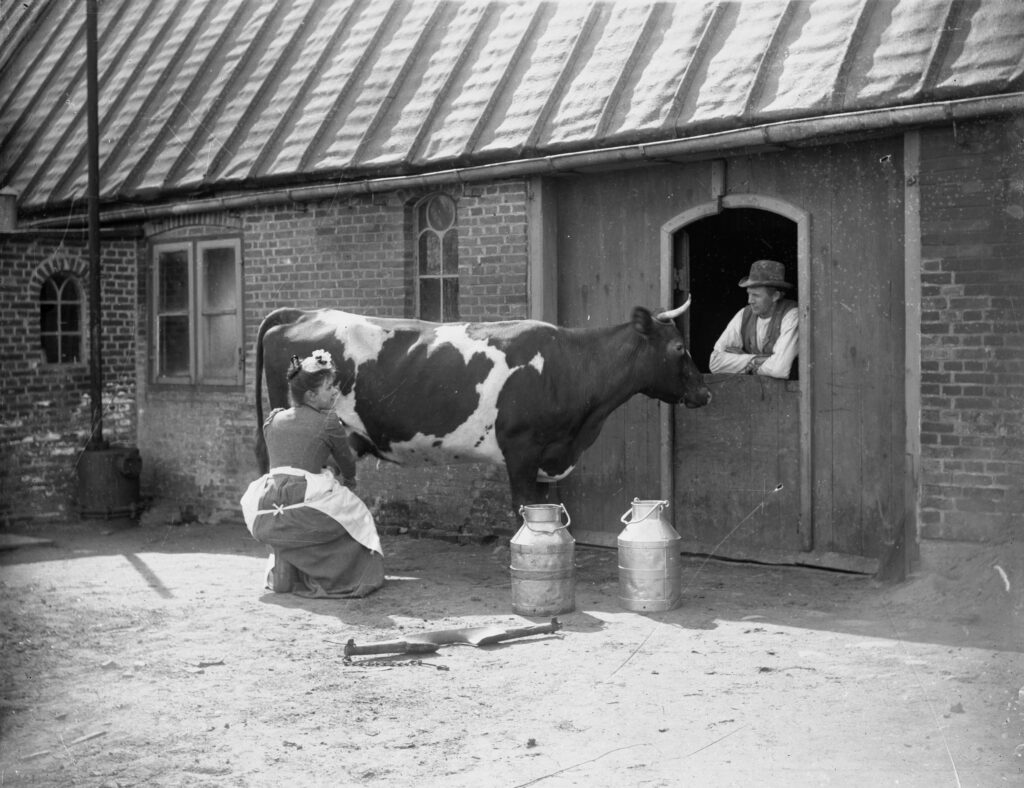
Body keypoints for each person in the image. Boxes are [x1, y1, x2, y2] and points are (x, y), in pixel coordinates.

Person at [240, 349, 384, 598]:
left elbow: (292, 454)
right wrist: (349, 482)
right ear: (310, 395)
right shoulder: (328, 421)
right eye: (329, 388)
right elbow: (346, 462)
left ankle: (287, 574)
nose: (335, 392)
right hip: (303, 497)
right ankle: (342, 576)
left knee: (309, 517)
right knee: (356, 515)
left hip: (265, 504)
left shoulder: (273, 420)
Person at [708, 259, 798, 379]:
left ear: (775, 296)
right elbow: (715, 362)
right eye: (749, 294)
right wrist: (755, 359)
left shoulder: (792, 315)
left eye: (756, 295)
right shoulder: (744, 314)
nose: (750, 300)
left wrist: (742, 361)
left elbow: (778, 369)